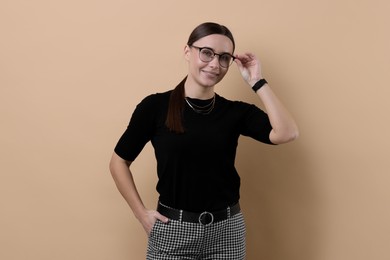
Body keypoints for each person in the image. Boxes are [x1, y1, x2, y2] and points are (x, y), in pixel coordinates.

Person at [109, 22, 299, 260]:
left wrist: (257, 81)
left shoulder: (235, 112)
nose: (214, 64)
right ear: (188, 51)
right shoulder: (155, 107)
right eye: (207, 52)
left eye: (224, 58)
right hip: (173, 230)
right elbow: (118, 162)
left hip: (227, 232)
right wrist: (141, 214)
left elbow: (287, 133)